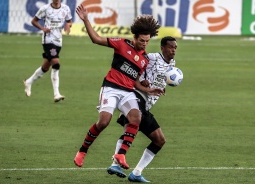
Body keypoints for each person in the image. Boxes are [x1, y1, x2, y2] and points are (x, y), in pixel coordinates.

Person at [74, 3, 162, 170]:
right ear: (135, 37)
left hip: (127, 92)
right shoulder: (121, 44)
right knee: (103, 122)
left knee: (136, 118)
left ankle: (120, 154)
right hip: (111, 88)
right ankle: (82, 151)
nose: (144, 44)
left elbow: (134, 81)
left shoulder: (144, 59)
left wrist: (148, 89)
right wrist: (86, 20)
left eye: (147, 41)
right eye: (142, 41)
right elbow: (96, 39)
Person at [107, 36, 178, 182]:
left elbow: (159, 79)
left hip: (146, 105)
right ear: (162, 47)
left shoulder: (172, 65)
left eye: (175, 48)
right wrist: (141, 81)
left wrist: (160, 87)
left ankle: (137, 173)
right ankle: (115, 164)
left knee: (159, 140)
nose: (173, 50)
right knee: (130, 128)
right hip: (135, 98)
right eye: (171, 47)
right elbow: (134, 68)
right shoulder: (151, 58)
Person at [24, 0, 72, 102]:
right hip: (48, 40)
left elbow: (69, 21)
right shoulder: (45, 9)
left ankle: (28, 81)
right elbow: (34, 21)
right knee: (56, 63)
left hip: (58, 41)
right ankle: (56, 94)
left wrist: (68, 25)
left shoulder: (66, 8)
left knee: (46, 67)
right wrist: (43, 28)